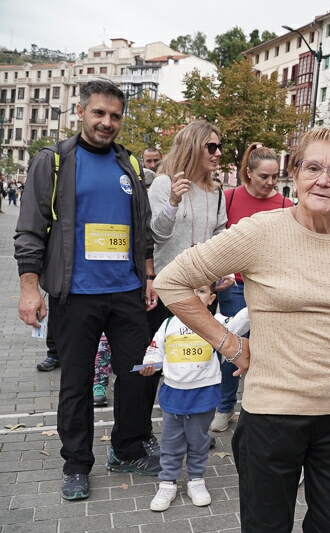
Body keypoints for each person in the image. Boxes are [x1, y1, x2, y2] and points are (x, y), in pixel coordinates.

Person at [154, 127, 330, 532]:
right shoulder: (260, 231)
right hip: (272, 419)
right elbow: (170, 282)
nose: (323, 180)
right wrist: (230, 344)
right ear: (296, 173)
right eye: (313, 167)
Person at [14, 79, 162, 501]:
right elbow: (29, 230)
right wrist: (29, 290)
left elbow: (142, 231)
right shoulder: (56, 160)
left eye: (115, 115)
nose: (107, 122)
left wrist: (148, 277)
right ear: (81, 112)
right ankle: (77, 465)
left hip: (127, 291)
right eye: (99, 113)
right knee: (76, 384)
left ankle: (126, 448)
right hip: (75, 294)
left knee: (137, 375)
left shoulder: (129, 164)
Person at [140, 283, 250, 512]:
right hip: (173, 393)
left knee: (198, 441)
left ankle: (196, 480)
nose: (194, 296)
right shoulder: (168, 324)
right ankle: (167, 483)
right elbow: (155, 349)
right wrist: (151, 363)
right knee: (171, 443)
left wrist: (256, 300)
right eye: (188, 291)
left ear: (211, 298)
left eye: (200, 291)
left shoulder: (217, 323)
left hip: (204, 394)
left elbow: (241, 321)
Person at [210, 142, 293, 433]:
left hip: (269, 289)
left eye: (274, 177)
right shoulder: (230, 197)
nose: (271, 183)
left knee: (268, 350)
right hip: (234, 287)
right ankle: (225, 405)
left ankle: (260, 409)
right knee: (232, 348)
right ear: (248, 172)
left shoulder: (285, 205)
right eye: (264, 177)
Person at [147, 121, 231, 335]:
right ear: (192, 147)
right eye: (211, 147)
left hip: (203, 289)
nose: (218, 153)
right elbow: (157, 235)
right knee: (164, 356)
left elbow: (219, 234)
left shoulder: (216, 192)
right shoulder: (164, 183)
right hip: (169, 286)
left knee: (199, 357)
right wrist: (173, 202)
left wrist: (224, 270)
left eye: (219, 146)